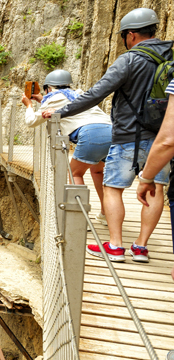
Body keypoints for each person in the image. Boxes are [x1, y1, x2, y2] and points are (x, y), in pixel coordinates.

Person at [42, 8, 172, 263]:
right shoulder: (170, 57)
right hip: (163, 138)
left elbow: (96, 93)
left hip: (127, 136)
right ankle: (141, 247)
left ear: (131, 35)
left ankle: (115, 246)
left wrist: (63, 111)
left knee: (113, 189)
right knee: (156, 188)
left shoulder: (129, 60)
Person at [22, 70, 112, 223]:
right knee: (97, 171)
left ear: (49, 88)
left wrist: (29, 105)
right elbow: (66, 105)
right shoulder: (79, 94)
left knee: (75, 173)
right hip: (112, 131)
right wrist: (43, 100)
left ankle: (81, 220)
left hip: (91, 134)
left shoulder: (52, 99)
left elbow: (31, 121)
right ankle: (105, 214)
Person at [135, 78, 174, 279]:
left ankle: (135, 245)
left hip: (140, 134)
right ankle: (141, 243)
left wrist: (145, 177)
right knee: (158, 187)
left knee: (155, 185)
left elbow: (168, 140)